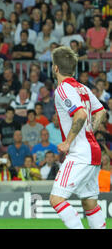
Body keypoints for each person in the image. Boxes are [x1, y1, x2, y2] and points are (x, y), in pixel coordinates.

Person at [49, 46, 107, 229]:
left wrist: (68, 142)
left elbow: (80, 114)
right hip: (93, 151)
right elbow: (101, 112)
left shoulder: (63, 89)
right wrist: (89, 131)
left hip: (80, 153)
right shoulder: (83, 88)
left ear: (56, 68)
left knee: (56, 199)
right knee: (89, 203)